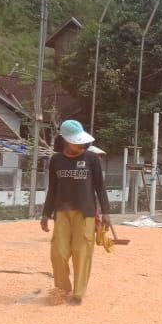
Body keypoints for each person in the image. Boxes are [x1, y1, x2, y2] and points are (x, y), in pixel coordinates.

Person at [40, 120, 110, 305]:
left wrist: (106, 212)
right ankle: (62, 289)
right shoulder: (56, 160)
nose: (81, 146)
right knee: (58, 253)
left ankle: (78, 294)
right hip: (62, 212)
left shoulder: (91, 159)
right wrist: (46, 213)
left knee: (82, 252)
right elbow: (53, 188)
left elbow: (100, 187)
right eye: (77, 142)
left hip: (85, 212)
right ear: (66, 140)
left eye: (82, 143)